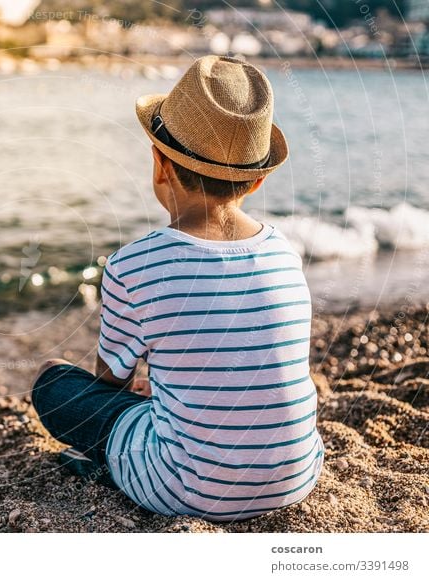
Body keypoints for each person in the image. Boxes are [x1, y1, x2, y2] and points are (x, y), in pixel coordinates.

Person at [31, 55, 324, 521]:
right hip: (295, 476)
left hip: (186, 490)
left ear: (159, 163)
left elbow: (112, 383)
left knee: (54, 384)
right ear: (259, 177)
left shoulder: (133, 264)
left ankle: (112, 468)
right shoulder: (285, 252)